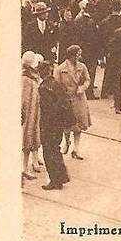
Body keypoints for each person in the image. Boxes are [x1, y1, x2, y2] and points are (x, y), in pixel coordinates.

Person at [37, 60, 72, 190]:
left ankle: (54, 180)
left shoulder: (44, 87)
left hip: (49, 125)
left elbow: (47, 110)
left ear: (41, 72)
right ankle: (62, 177)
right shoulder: (57, 84)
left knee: (49, 152)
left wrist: (44, 126)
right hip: (59, 125)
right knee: (56, 150)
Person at [21, 52, 43, 180]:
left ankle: (25, 167)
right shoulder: (26, 79)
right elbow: (24, 101)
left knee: (29, 141)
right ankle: (23, 168)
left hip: (33, 114)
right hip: (27, 116)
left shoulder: (32, 77)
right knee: (25, 141)